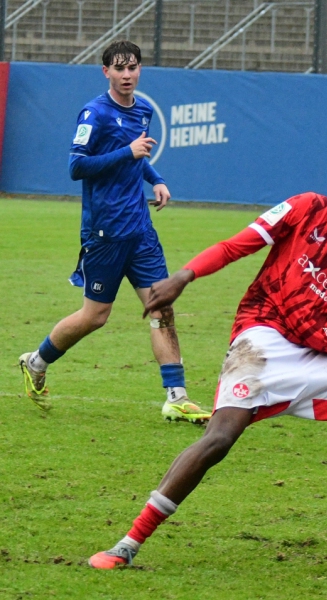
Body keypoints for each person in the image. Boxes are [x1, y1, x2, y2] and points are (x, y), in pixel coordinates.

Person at [87, 161, 327, 578]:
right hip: (262, 337)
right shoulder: (306, 209)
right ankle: (128, 543)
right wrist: (184, 275)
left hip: (314, 353)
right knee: (219, 439)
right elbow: (239, 244)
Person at [17, 41, 211, 423]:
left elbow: (138, 157)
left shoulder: (142, 110)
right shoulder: (94, 113)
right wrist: (129, 153)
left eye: (133, 68)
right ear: (105, 72)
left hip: (140, 229)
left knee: (161, 306)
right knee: (96, 316)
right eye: (119, 69)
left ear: (140, 70)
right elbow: (77, 167)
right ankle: (36, 361)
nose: (127, 75)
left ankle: (176, 395)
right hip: (104, 231)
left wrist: (156, 179)